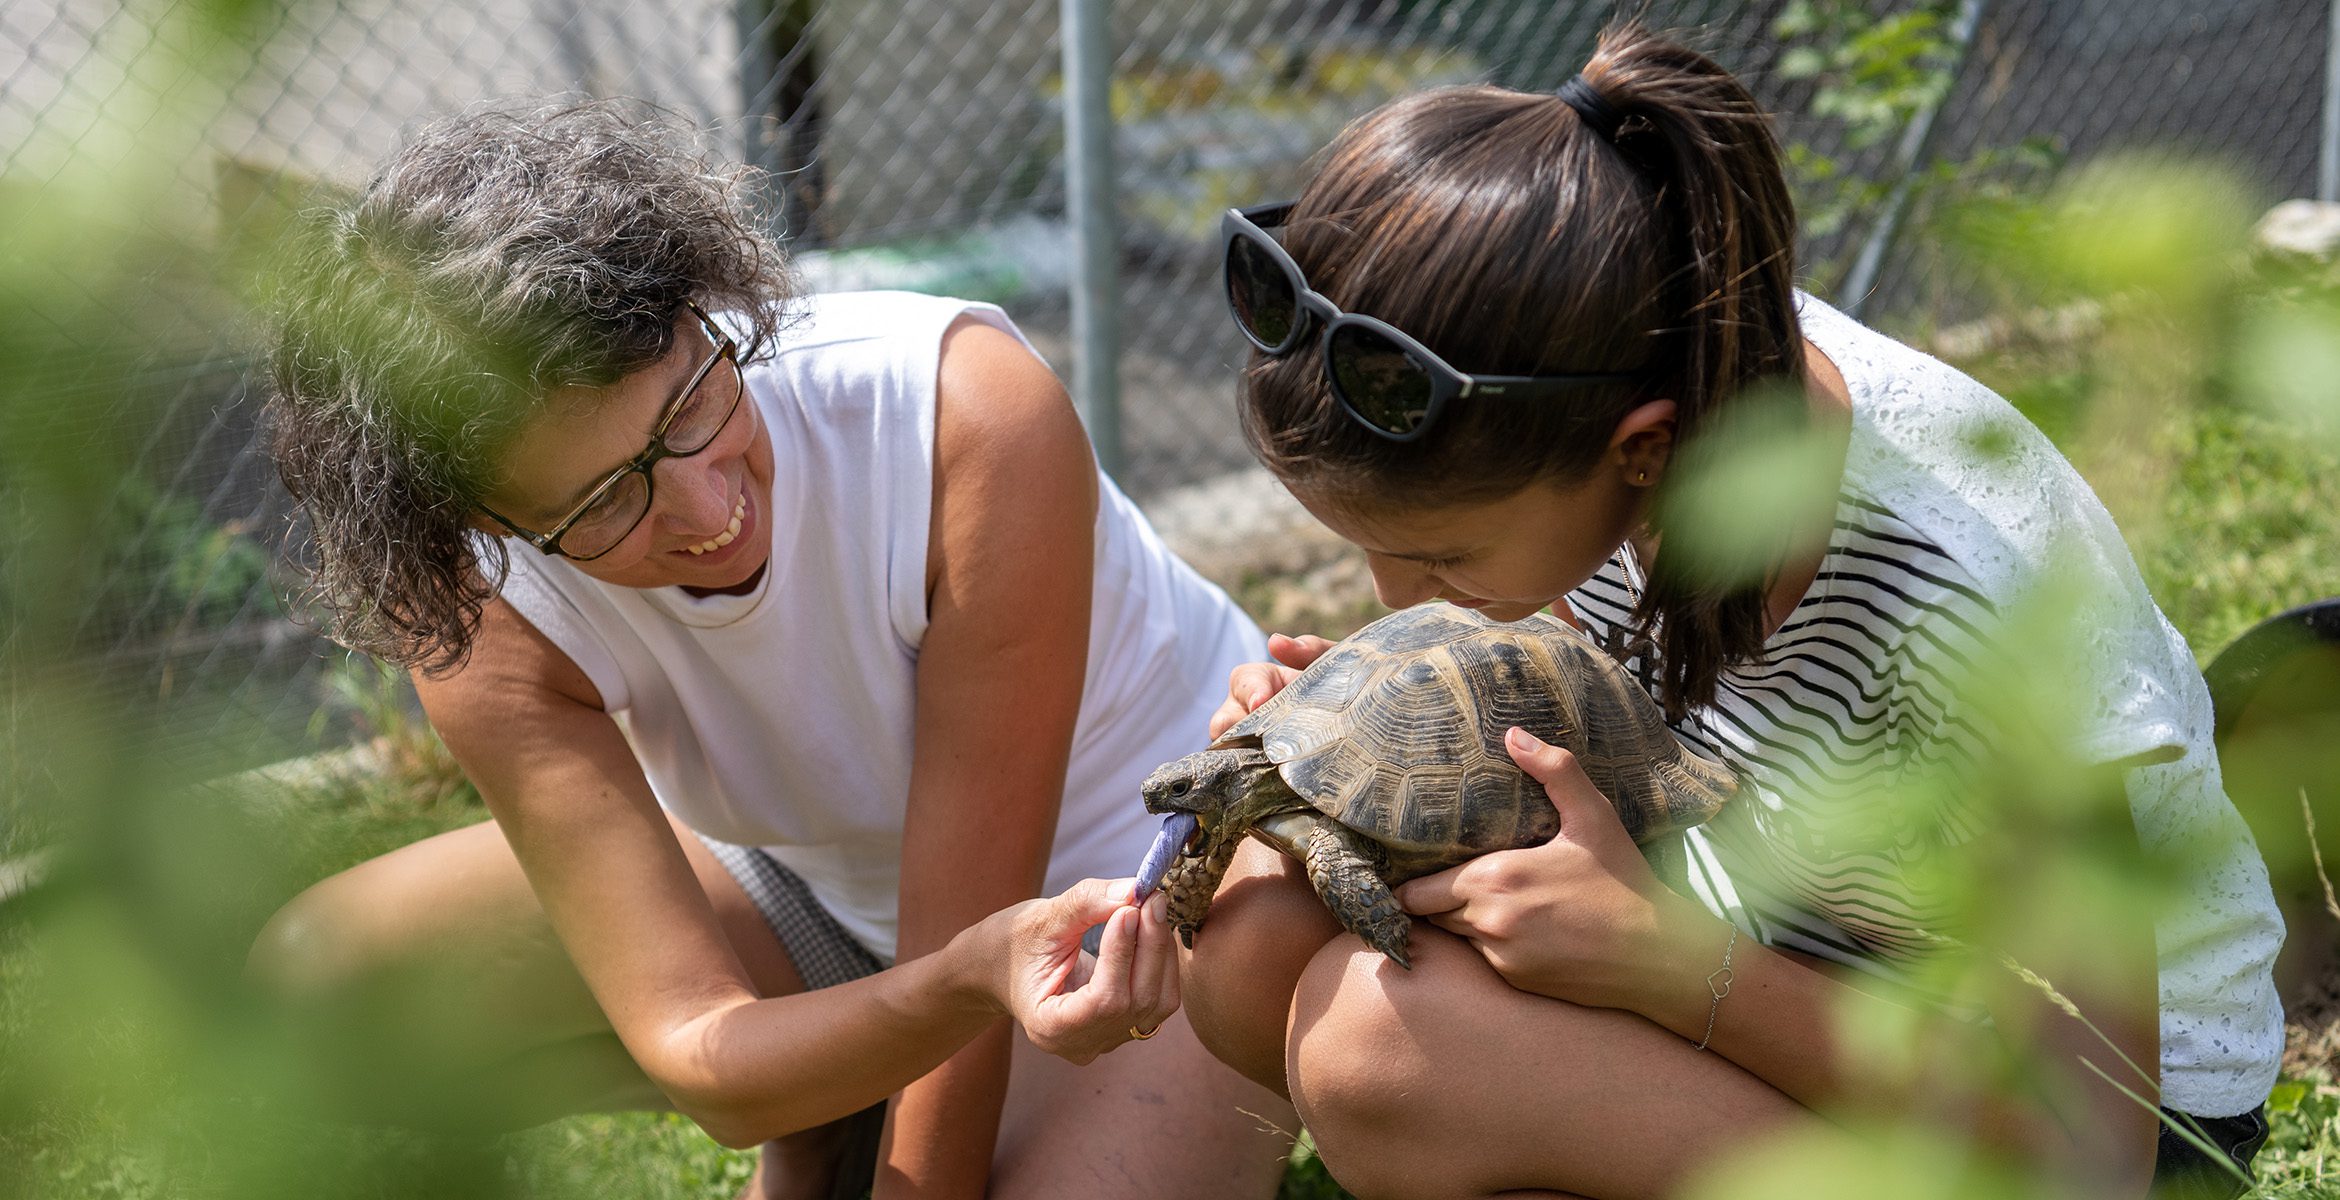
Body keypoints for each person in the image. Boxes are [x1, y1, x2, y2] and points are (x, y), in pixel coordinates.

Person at [1183, 22, 2284, 1200]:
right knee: (1251, 943)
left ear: (1642, 449)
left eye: (1439, 555)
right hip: (1773, 946)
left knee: (1383, 1053)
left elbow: (2091, 1144)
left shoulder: (1971, 588)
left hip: (2095, 1119)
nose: (1393, 595)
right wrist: (1366, 733)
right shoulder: (1644, 375)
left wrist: (1674, 968)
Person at [246, 99, 1291, 1200]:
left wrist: (926, 1113)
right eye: (606, 498)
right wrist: (859, 1041)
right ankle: (835, 1098)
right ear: (490, 524)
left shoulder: (963, 415)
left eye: (691, 399)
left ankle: (881, 1092)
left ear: (697, 306)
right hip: (834, 897)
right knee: (313, 1004)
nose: (706, 506)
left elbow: (981, 921)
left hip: (1148, 904)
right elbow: (699, 1048)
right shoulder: (474, 612)